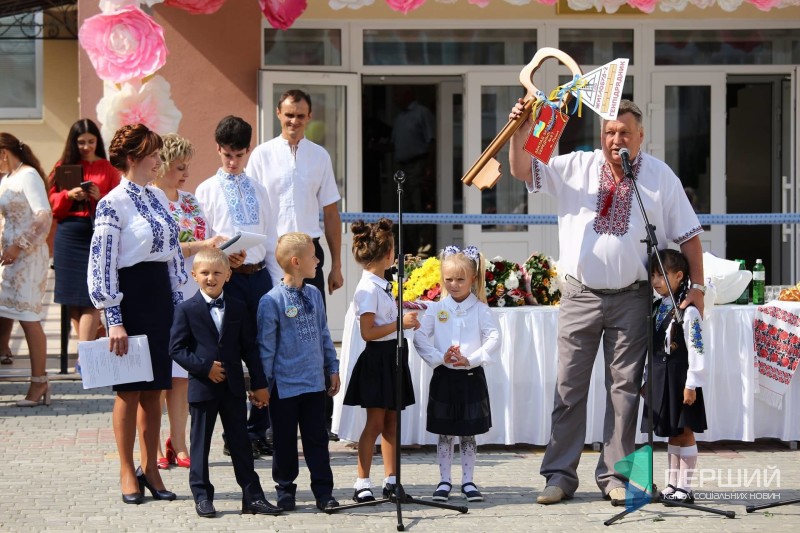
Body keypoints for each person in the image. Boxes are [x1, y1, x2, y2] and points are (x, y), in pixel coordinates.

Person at [507, 99, 706, 505]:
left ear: (641, 136)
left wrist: (698, 289)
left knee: (624, 391)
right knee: (569, 387)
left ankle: (616, 476)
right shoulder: (576, 166)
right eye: (610, 132)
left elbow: (689, 236)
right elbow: (522, 169)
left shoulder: (660, 177)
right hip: (579, 295)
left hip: (632, 298)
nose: (616, 139)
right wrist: (520, 131)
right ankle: (559, 477)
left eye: (624, 133)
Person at [87, 123, 186, 504]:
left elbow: (173, 254)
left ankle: (150, 468)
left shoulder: (158, 197)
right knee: (129, 391)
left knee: (156, 389)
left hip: (160, 299)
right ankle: (127, 470)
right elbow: (102, 264)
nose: (159, 161)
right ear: (132, 158)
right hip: (130, 299)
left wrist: (179, 306)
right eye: (153, 155)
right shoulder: (112, 203)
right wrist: (114, 319)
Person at [245, 88, 344, 439]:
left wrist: (336, 264)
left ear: (309, 117)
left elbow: (330, 212)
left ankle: (319, 421)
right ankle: (261, 426)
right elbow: (251, 207)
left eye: (300, 115)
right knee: (269, 336)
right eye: (289, 114)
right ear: (278, 114)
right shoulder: (261, 155)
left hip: (309, 252)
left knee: (313, 332)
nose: (294, 121)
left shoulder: (319, 156)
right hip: (272, 252)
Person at [169, 247, 282, 518]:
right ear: (194, 275)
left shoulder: (238, 306)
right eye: (205, 273)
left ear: (228, 275)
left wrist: (259, 384)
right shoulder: (186, 309)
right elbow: (176, 349)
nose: (211, 278)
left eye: (217, 273)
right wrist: (204, 367)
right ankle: (202, 496)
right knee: (200, 445)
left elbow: (249, 349)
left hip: (233, 389)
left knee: (241, 443)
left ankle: (252, 497)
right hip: (203, 388)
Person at [195, 115, 276, 459]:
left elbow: (270, 237)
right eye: (227, 155)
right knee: (229, 351)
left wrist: (276, 283)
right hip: (226, 280)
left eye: (239, 155)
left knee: (263, 350)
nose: (233, 162)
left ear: (248, 151)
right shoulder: (205, 190)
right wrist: (224, 258)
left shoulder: (259, 189)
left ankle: (259, 428)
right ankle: (234, 433)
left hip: (259, 276)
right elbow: (202, 242)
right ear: (218, 149)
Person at [152, 133, 230, 470]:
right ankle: (154, 443)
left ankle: (179, 441)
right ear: (162, 165)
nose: (186, 173)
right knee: (159, 373)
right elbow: (158, 247)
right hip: (162, 291)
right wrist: (201, 246)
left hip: (192, 291)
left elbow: (207, 239)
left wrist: (225, 251)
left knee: (183, 372)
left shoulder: (190, 200)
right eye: (180, 167)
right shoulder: (151, 200)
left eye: (188, 166)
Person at [257, 232, 341, 512]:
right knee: (283, 441)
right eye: (313, 256)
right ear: (296, 262)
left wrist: (331, 367)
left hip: (314, 384)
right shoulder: (271, 301)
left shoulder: (314, 294)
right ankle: (285, 489)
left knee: (317, 439)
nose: (318, 261)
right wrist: (263, 386)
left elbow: (324, 333)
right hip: (285, 387)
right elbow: (266, 348)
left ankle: (323, 492)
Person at [412, 245, 499, 503]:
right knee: (445, 431)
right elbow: (419, 337)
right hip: (445, 377)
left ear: (473, 278)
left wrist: (471, 359)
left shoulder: (481, 309)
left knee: (468, 432)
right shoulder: (437, 309)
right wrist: (440, 357)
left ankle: (468, 481)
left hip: (471, 378)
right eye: (448, 279)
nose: (454, 284)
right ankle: (444, 480)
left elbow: (494, 338)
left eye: (460, 279)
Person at [342, 218, 420, 502]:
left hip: (393, 357)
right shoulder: (367, 289)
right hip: (377, 360)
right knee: (374, 424)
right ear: (388, 254)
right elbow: (368, 332)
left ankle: (391, 480)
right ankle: (362, 482)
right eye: (394, 250)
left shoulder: (382, 284)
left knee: (391, 423)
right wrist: (401, 323)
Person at [48, 119, 119, 362]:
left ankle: (84, 357)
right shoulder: (63, 166)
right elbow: (52, 205)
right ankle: (88, 351)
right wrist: (68, 195)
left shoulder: (107, 168)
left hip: (94, 233)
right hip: (68, 235)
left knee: (91, 297)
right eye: (81, 142)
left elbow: (118, 202)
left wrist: (100, 196)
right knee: (71, 299)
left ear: (98, 141)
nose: (86, 146)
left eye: (91, 141)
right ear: (73, 142)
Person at [641, 249, 707, 504]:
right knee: (671, 432)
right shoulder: (657, 307)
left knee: (685, 432)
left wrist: (692, 384)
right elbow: (652, 348)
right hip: (661, 378)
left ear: (679, 276)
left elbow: (697, 349)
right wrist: (647, 380)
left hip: (680, 379)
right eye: (653, 275)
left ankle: (685, 487)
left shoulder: (688, 311)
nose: (656, 281)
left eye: (662, 275)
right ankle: (672, 483)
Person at [0, 133, 53, 406]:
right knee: (6, 311)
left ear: (4, 152)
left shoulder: (29, 175)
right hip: (9, 260)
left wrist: (18, 246)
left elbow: (43, 215)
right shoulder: (7, 178)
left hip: (28, 258)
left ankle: (39, 381)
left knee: (28, 316)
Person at [391, 86, 436, 257]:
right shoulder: (399, 117)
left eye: (398, 95)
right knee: (404, 208)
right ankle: (409, 250)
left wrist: (428, 168)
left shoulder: (421, 113)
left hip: (418, 166)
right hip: (401, 169)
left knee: (420, 208)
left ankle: (424, 251)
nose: (395, 99)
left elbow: (432, 141)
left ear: (408, 94)